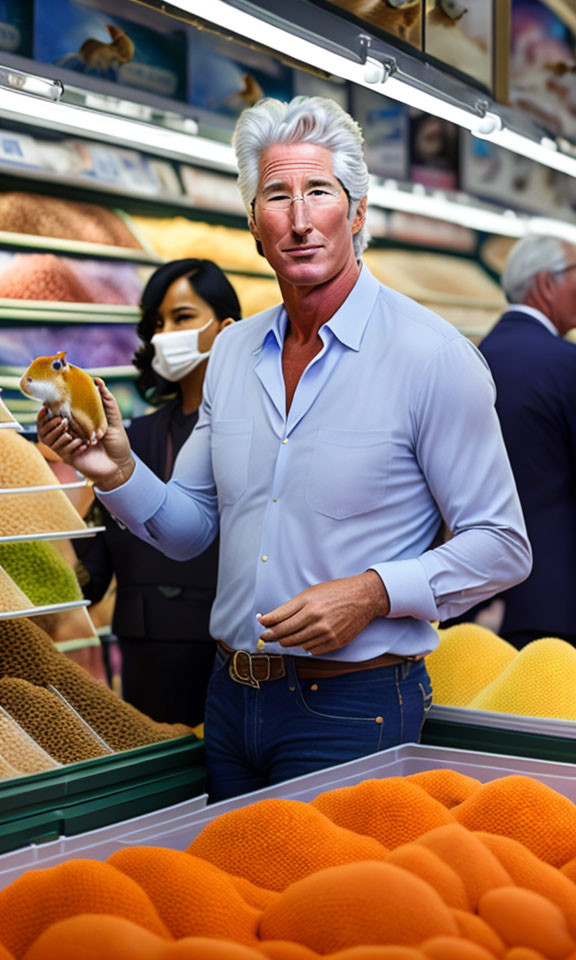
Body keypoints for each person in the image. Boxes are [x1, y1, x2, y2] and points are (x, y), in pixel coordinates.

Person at [38, 96, 532, 801]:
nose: (299, 220)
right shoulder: (235, 351)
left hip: (354, 706)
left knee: (329, 910)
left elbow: (503, 543)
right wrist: (117, 469)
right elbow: (192, 530)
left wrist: (373, 593)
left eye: (319, 193)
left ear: (356, 214)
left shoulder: (432, 357)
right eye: (277, 196)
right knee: (234, 906)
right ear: (253, 223)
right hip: (229, 701)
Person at [73, 259, 241, 726]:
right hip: (144, 659)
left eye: (183, 317)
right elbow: (92, 559)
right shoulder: (128, 437)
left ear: (227, 329)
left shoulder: (255, 434)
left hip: (228, 659)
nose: (166, 333)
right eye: (157, 323)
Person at [473, 234, 576, 648]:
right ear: (546, 283)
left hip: (475, 594)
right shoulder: (565, 364)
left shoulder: (473, 356)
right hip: (557, 605)